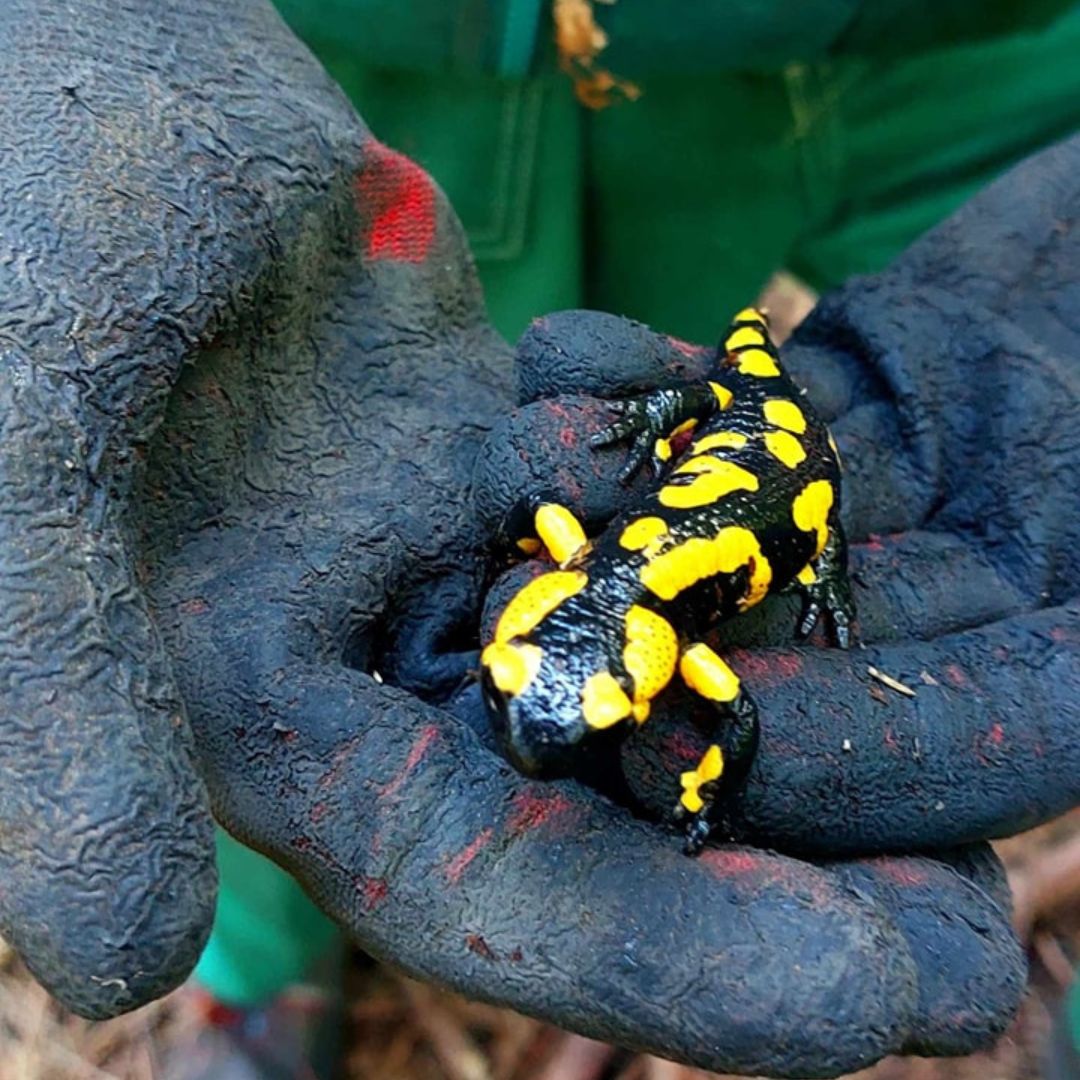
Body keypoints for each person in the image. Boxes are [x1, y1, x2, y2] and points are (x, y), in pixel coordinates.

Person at [0, 3, 1078, 1079]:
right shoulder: (632, 617)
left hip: (951, 56)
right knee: (290, 585)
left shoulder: (601, 588)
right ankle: (265, 968)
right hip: (394, 61)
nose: (534, 724)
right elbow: (688, 667)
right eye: (523, 682)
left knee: (730, 421)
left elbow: (689, 665)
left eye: (582, 706)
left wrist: (704, 774)